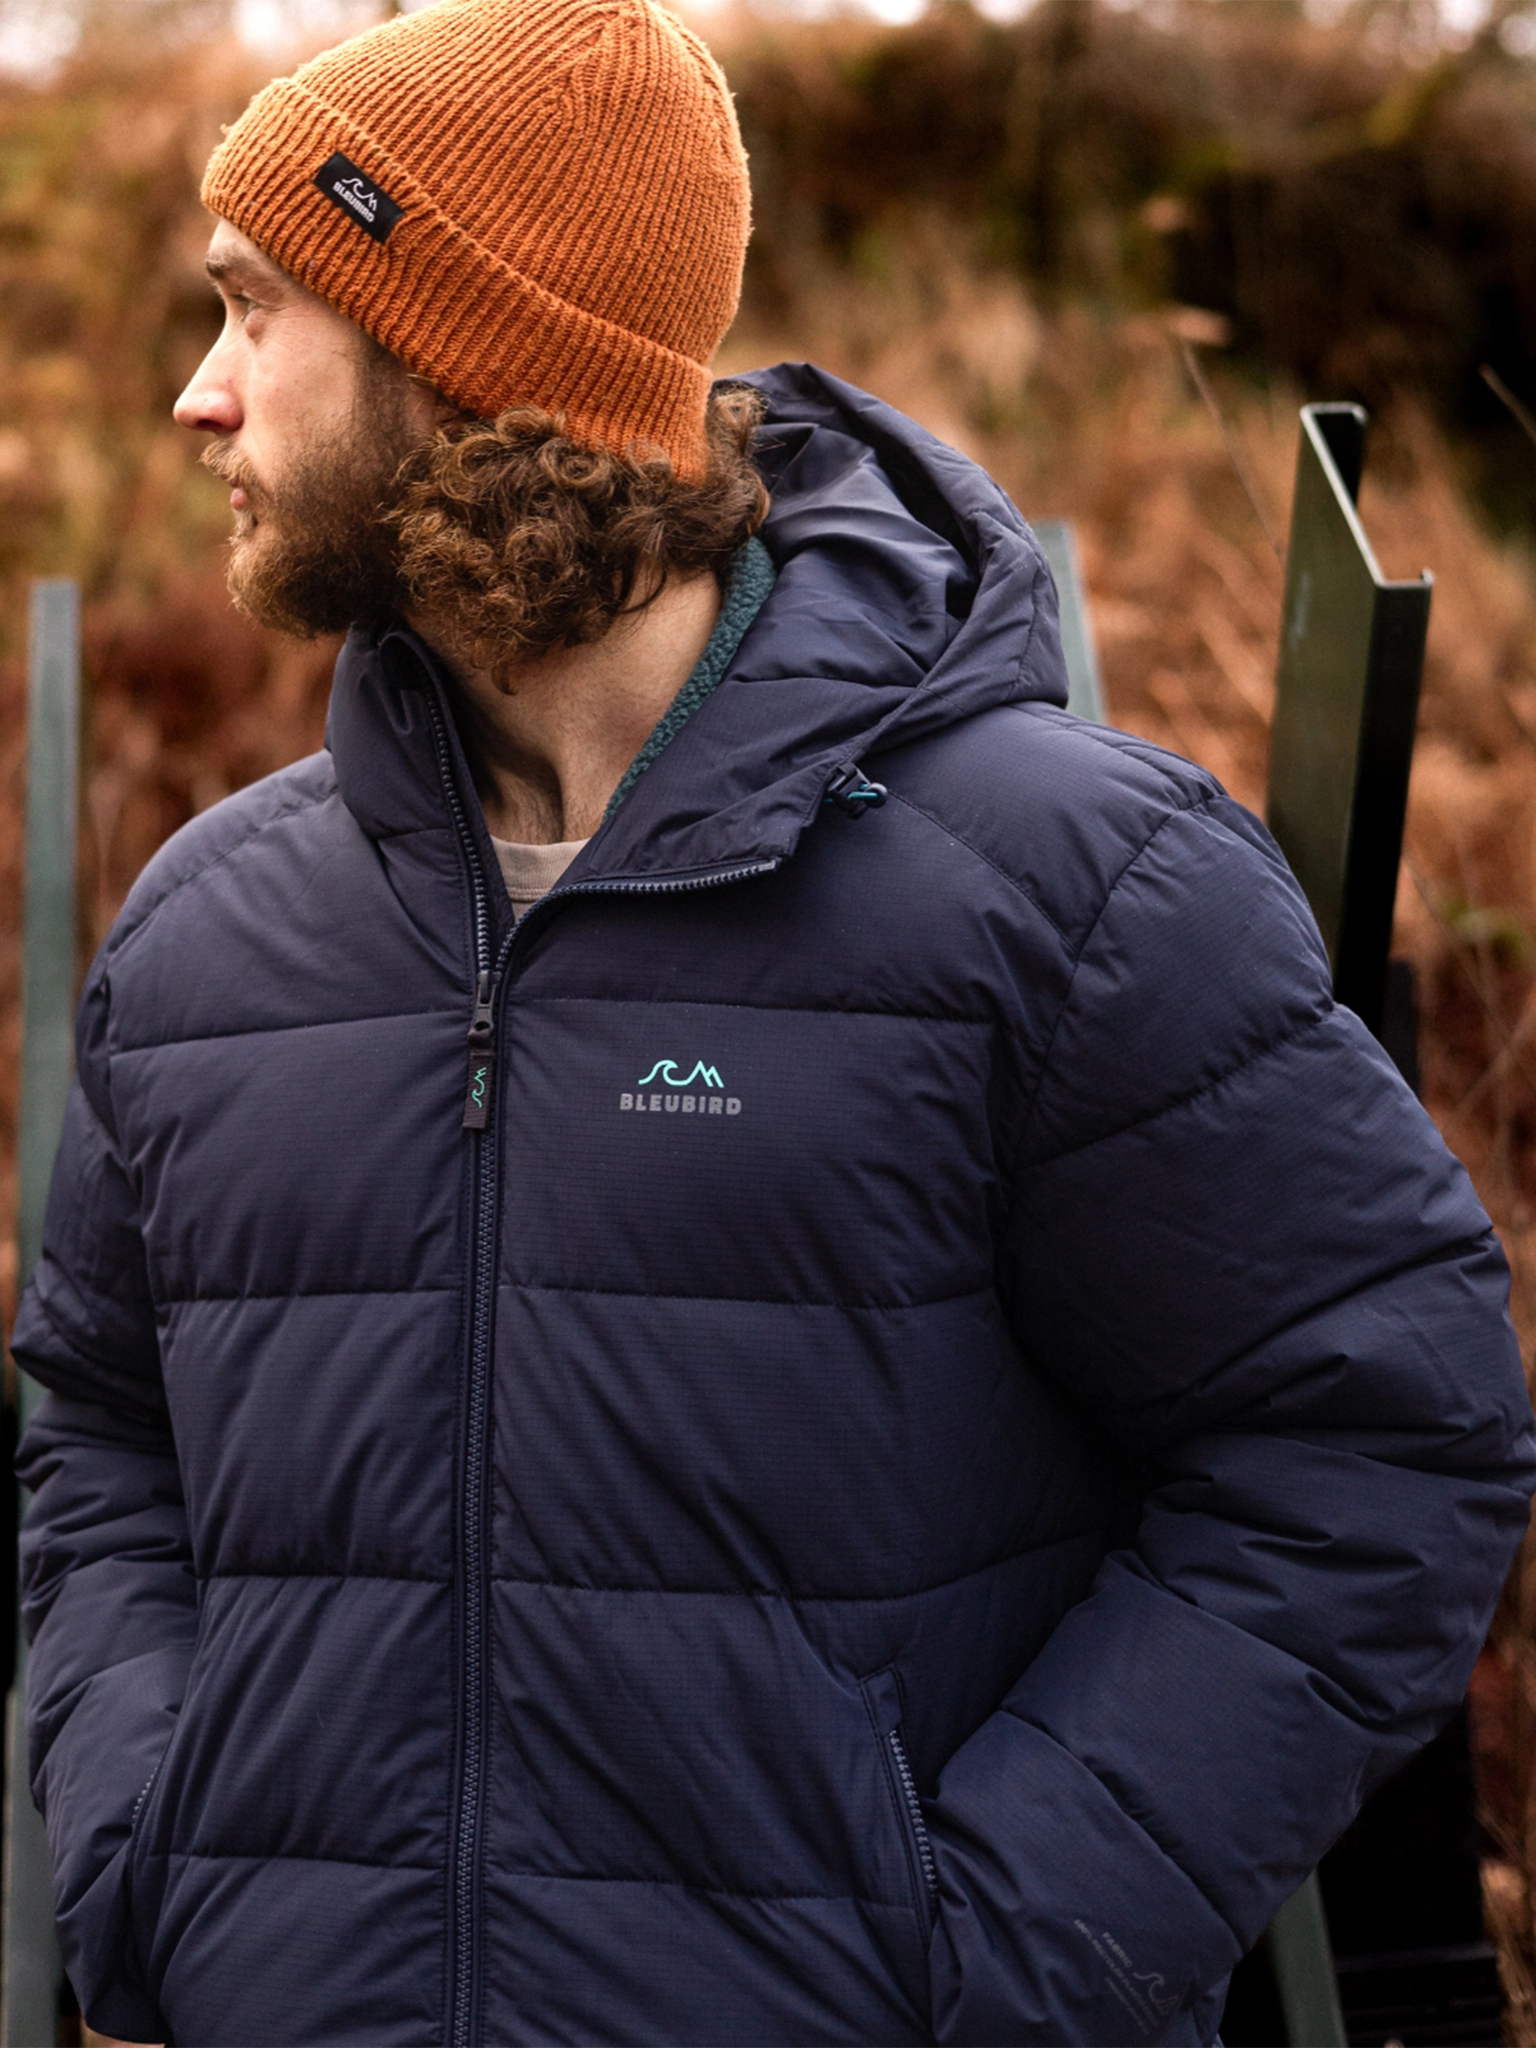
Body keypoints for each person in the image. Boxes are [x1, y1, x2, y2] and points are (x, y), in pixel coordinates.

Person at [11, 2, 1535, 2044]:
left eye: (254, 307)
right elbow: (104, 1429)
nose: (198, 394)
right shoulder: (211, 935)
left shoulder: (1072, 889)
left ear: (461, 350)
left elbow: (1374, 1437)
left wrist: (986, 1961)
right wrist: (146, 1867)